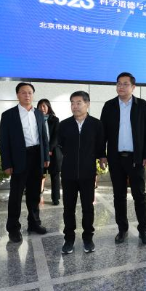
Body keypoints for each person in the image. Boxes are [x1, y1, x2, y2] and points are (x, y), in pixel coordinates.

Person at [100, 72, 146, 245]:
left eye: (125, 84)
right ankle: (122, 229)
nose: (121, 87)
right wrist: (102, 155)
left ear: (133, 87)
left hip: (135, 158)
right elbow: (102, 133)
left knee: (140, 195)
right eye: (119, 83)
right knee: (119, 196)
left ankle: (143, 230)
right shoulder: (109, 106)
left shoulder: (142, 105)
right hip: (115, 158)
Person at [0, 82, 50, 243]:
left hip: (36, 157)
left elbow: (44, 137)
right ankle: (13, 228)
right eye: (23, 92)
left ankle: (34, 223)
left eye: (30, 92)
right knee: (16, 196)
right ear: (17, 95)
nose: (27, 95)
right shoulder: (8, 115)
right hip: (19, 159)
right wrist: (7, 163)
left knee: (34, 194)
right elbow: (4, 141)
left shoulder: (39, 114)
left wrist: (46, 157)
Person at [57, 91, 105, 254]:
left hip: (87, 173)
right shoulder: (64, 125)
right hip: (68, 173)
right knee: (68, 208)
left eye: (78, 102)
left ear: (87, 104)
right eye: (72, 103)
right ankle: (69, 239)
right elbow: (60, 146)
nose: (75, 106)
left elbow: (100, 146)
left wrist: (102, 158)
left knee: (87, 207)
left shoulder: (96, 124)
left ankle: (88, 238)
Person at [38, 99, 62, 205]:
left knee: (55, 176)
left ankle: (55, 198)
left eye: (44, 106)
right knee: (38, 175)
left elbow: (56, 137)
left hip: (53, 152)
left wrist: (49, 150)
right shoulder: (35, 119)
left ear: (48, 107)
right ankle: (36, 196)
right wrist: (44, 150)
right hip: (40, 152)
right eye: (40, 106)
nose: (42, 108)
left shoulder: (55, 120)